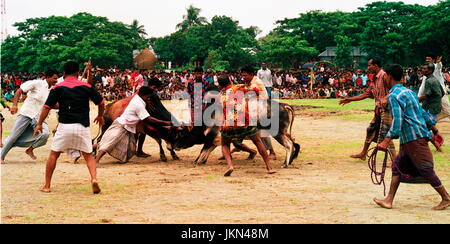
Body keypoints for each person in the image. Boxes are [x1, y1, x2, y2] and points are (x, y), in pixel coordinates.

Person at [374, 64, 450, 211]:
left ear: (388, 76)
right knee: (397, 167)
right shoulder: (409, 92)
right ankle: (389, 200)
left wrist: (385, 140)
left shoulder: (394, 96)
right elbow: (421, 112)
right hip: (413, 136)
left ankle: (446, 198)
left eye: (384, 76)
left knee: (426, 169)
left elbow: (397, 121)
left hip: (413, 138)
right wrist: (434, 128)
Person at [33, 62, 105, 194]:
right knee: (88, 156)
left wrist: (39, 124)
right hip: (82, 126)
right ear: (78, 73)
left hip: (64, 126)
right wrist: (100, 116)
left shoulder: (57, 87)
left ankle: (47, 185)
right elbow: (101, 102)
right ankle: (94, 179)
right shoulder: (86, 86)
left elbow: (46, 107)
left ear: (63, 73)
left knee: (54, 155)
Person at [219, 67, 276, 177]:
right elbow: (255, 90)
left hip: (229, 123)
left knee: (225, 144)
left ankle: (230, 166)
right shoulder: (239, 87)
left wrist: (222, 125)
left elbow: (221, 112)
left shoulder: (221, 96)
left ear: (220, 86)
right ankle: (269, 167)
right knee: (258, 141)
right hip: (245, 120)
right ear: (230, 81)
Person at [95, 87, 174, 165]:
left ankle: (92, 148)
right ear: (143, 95)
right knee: (109, 143)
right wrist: (166, 123)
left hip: (128, 127)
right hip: (122, 125)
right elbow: (148, 119)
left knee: (124, 146)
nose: (149, 99)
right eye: (148, 97)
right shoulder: (138, 104)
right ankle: (96, 161)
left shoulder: (138, 99)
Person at [339, 58, 396, 161]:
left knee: (386, 133)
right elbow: (367, 94)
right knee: (370, 130)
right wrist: (350, 99)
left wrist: (385, 99)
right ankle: (363, 153)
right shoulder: (374, 78)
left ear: (376, 65)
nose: (368, 67)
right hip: (379, 109)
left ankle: (395, 160)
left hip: (387, 109)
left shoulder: (384, 76)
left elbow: (394, 90)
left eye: (370, 65)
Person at [0, 70, 58, 164]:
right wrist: (15, 105)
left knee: (45, 135)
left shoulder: (52, 90)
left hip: (39, 118)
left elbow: (52, 105)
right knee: (14, 136)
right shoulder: (37, 83)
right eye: (54, 78)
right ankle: (1, 156)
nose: (56, 80)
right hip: (26, 114)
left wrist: (66, 104)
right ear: (47, 77)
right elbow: (19, 90)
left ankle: (30, 149)